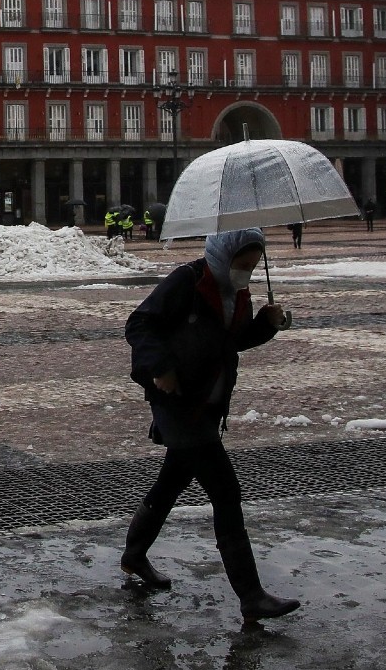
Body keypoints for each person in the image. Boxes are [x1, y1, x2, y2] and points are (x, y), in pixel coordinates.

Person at [120, 228, 301, 622]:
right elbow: (140, 324)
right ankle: (250, 595)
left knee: (171, 483)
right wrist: (160, 367)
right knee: (226, 491)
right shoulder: (187, 280)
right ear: (223, 255)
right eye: (242, 264)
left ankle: (134, 555)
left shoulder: (235, 292)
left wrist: (266, 323)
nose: (246, 273)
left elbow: (228, 342)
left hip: (207, 404)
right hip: (178, 402)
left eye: (253, 266)